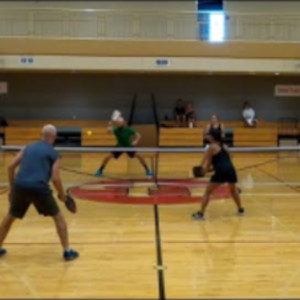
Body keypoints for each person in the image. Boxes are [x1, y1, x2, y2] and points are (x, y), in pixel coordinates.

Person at [0, 124, 79, 261]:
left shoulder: (28, 147)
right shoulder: (54, 154)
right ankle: (67, 251)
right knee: (58, 217)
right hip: (39, 187)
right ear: (54, 137)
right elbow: (55, 178)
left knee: (10, 217)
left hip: (20, 185)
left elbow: (11, 167)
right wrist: (62, 195)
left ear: (41, 135)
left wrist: (12, 189)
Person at [192, 131, 244, 220]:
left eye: (208, 135)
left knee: (208, 191)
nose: (206, 136)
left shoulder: (212, 147)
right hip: (231, 169)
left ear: (212, 137)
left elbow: (208, 165)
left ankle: (200, 214)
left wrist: (203, 172)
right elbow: (226, 159)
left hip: (221, 171)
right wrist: (213, 169)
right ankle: (240, 210)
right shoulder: (224, 146)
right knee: (233, 190)